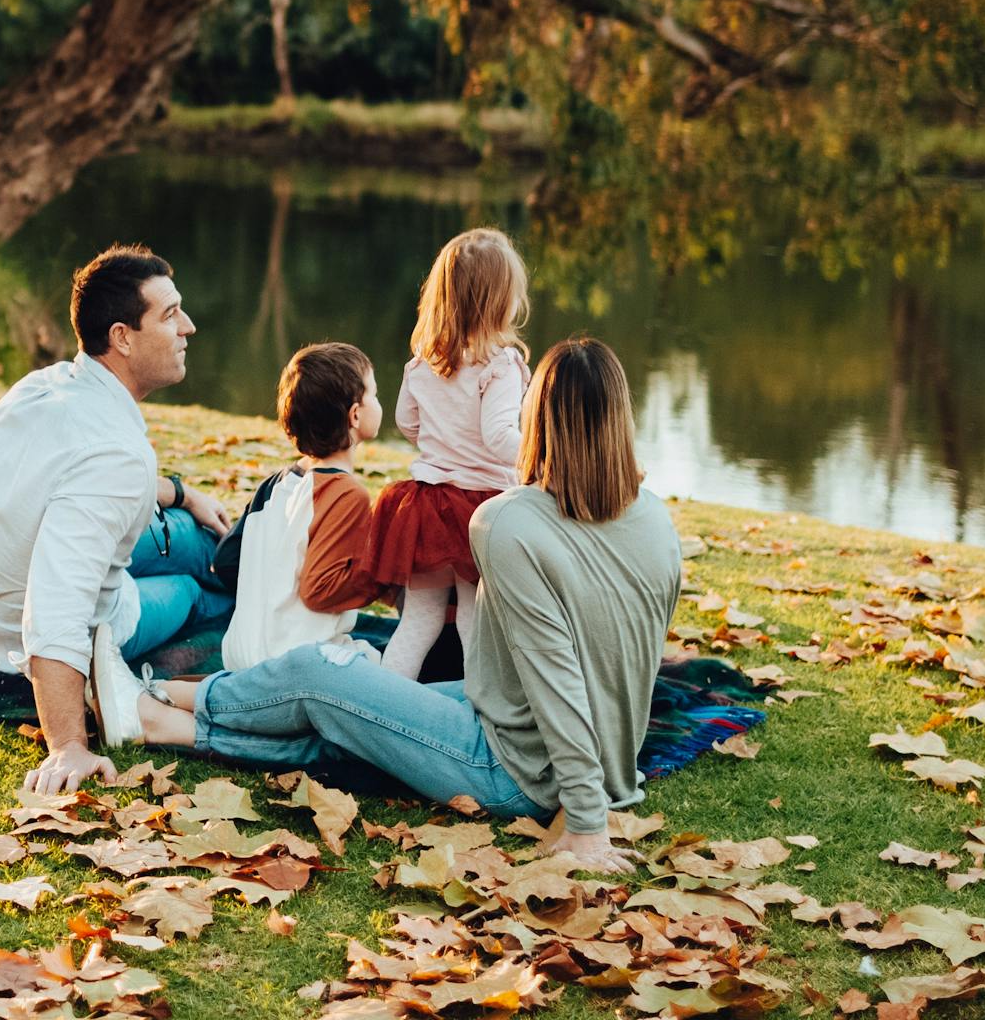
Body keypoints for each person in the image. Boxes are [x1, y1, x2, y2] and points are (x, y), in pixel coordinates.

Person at [116, 337, 680, 874]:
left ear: (537, 421)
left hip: (515, 767)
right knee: (355, 714)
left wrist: (585, 820)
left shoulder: (509, 521)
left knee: (324, 672)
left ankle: (162, 701)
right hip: (574, 744)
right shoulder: (655, 517)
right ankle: (170, 723)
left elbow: (556, 672)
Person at [0, 244, 233, 794]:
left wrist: (183, 494)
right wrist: (68, 747)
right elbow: (58, 605)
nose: (188, 326)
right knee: (190, 592)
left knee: (192, 534)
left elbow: (77, 481)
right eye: (169, 316)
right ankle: (245, 600)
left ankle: (240, 562)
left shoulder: (46, 386)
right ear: (122, 337)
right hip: (17, 622)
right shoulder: (114, 457)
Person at [369, 227, 531, 678]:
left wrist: (441, 443)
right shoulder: (500, 366)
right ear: (499, 301)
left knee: (417, 620)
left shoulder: (423, 363)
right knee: (474, 619)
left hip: (425, 503)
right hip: (478, 509)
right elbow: (500, 436)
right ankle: (478, 708)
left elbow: (407, 423)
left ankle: (386, 702)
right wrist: (538, 459)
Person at [211, 343, 386, 670]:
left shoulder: (274, 484)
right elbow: (320, 590)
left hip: (238, 656)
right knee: (383, 661)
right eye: (374, 394)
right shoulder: (347, 494)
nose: (379, 401)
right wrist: (385, 573)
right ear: (355, 414)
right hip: (295, 665)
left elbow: (226, 561)